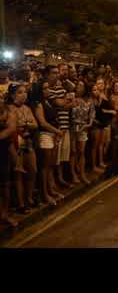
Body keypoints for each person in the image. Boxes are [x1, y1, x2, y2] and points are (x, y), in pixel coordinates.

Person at [7, 84, 39, 214]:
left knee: (32, 170)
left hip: (28, 142)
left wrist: (25, 124)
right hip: (16, 144)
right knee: (19, 174)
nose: (24, 94)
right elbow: (13, 127)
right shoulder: (9, 108)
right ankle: (21, 203)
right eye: (20, 92)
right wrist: (26, 125)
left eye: (25, 92)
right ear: (13, 95)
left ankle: (29, 198)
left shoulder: (27, 108)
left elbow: (35, 124)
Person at [32, 80, 63, 206]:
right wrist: (57, 131)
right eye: (44, 88)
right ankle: (44, 194)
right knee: (44, 167)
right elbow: (43, 122)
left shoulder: (48, 102)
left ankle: (50, 189)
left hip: (52, 135)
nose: (48, 90)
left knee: (50, 165)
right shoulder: (38, 104)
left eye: (48, 88)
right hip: (45, 136)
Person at [71, 81, 95, 184]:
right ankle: (73, 174)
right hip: (72, 127)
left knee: (81, 151)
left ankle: (82, 173)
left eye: (82, 86)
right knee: (73, 152)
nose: (79, 87)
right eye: (78, 85)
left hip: (83, 127)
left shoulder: (88, 101)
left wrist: (89, 124)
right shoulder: (71, 98)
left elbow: (92, 113)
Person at [91, 83, 116, 173]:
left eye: (97, 90)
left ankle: (100, 162)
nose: (96, 91)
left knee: (101, 144)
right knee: (95, 146)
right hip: (95, 125)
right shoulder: (92, 101)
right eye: (94, 90)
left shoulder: (101, 100)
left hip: (102, 124)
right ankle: (94, 165)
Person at [0, 102, 17, 226]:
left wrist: (15, 157)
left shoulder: (6, 111)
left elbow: (11, 129)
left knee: (5, 185)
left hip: (4, 152)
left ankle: (4, 214)